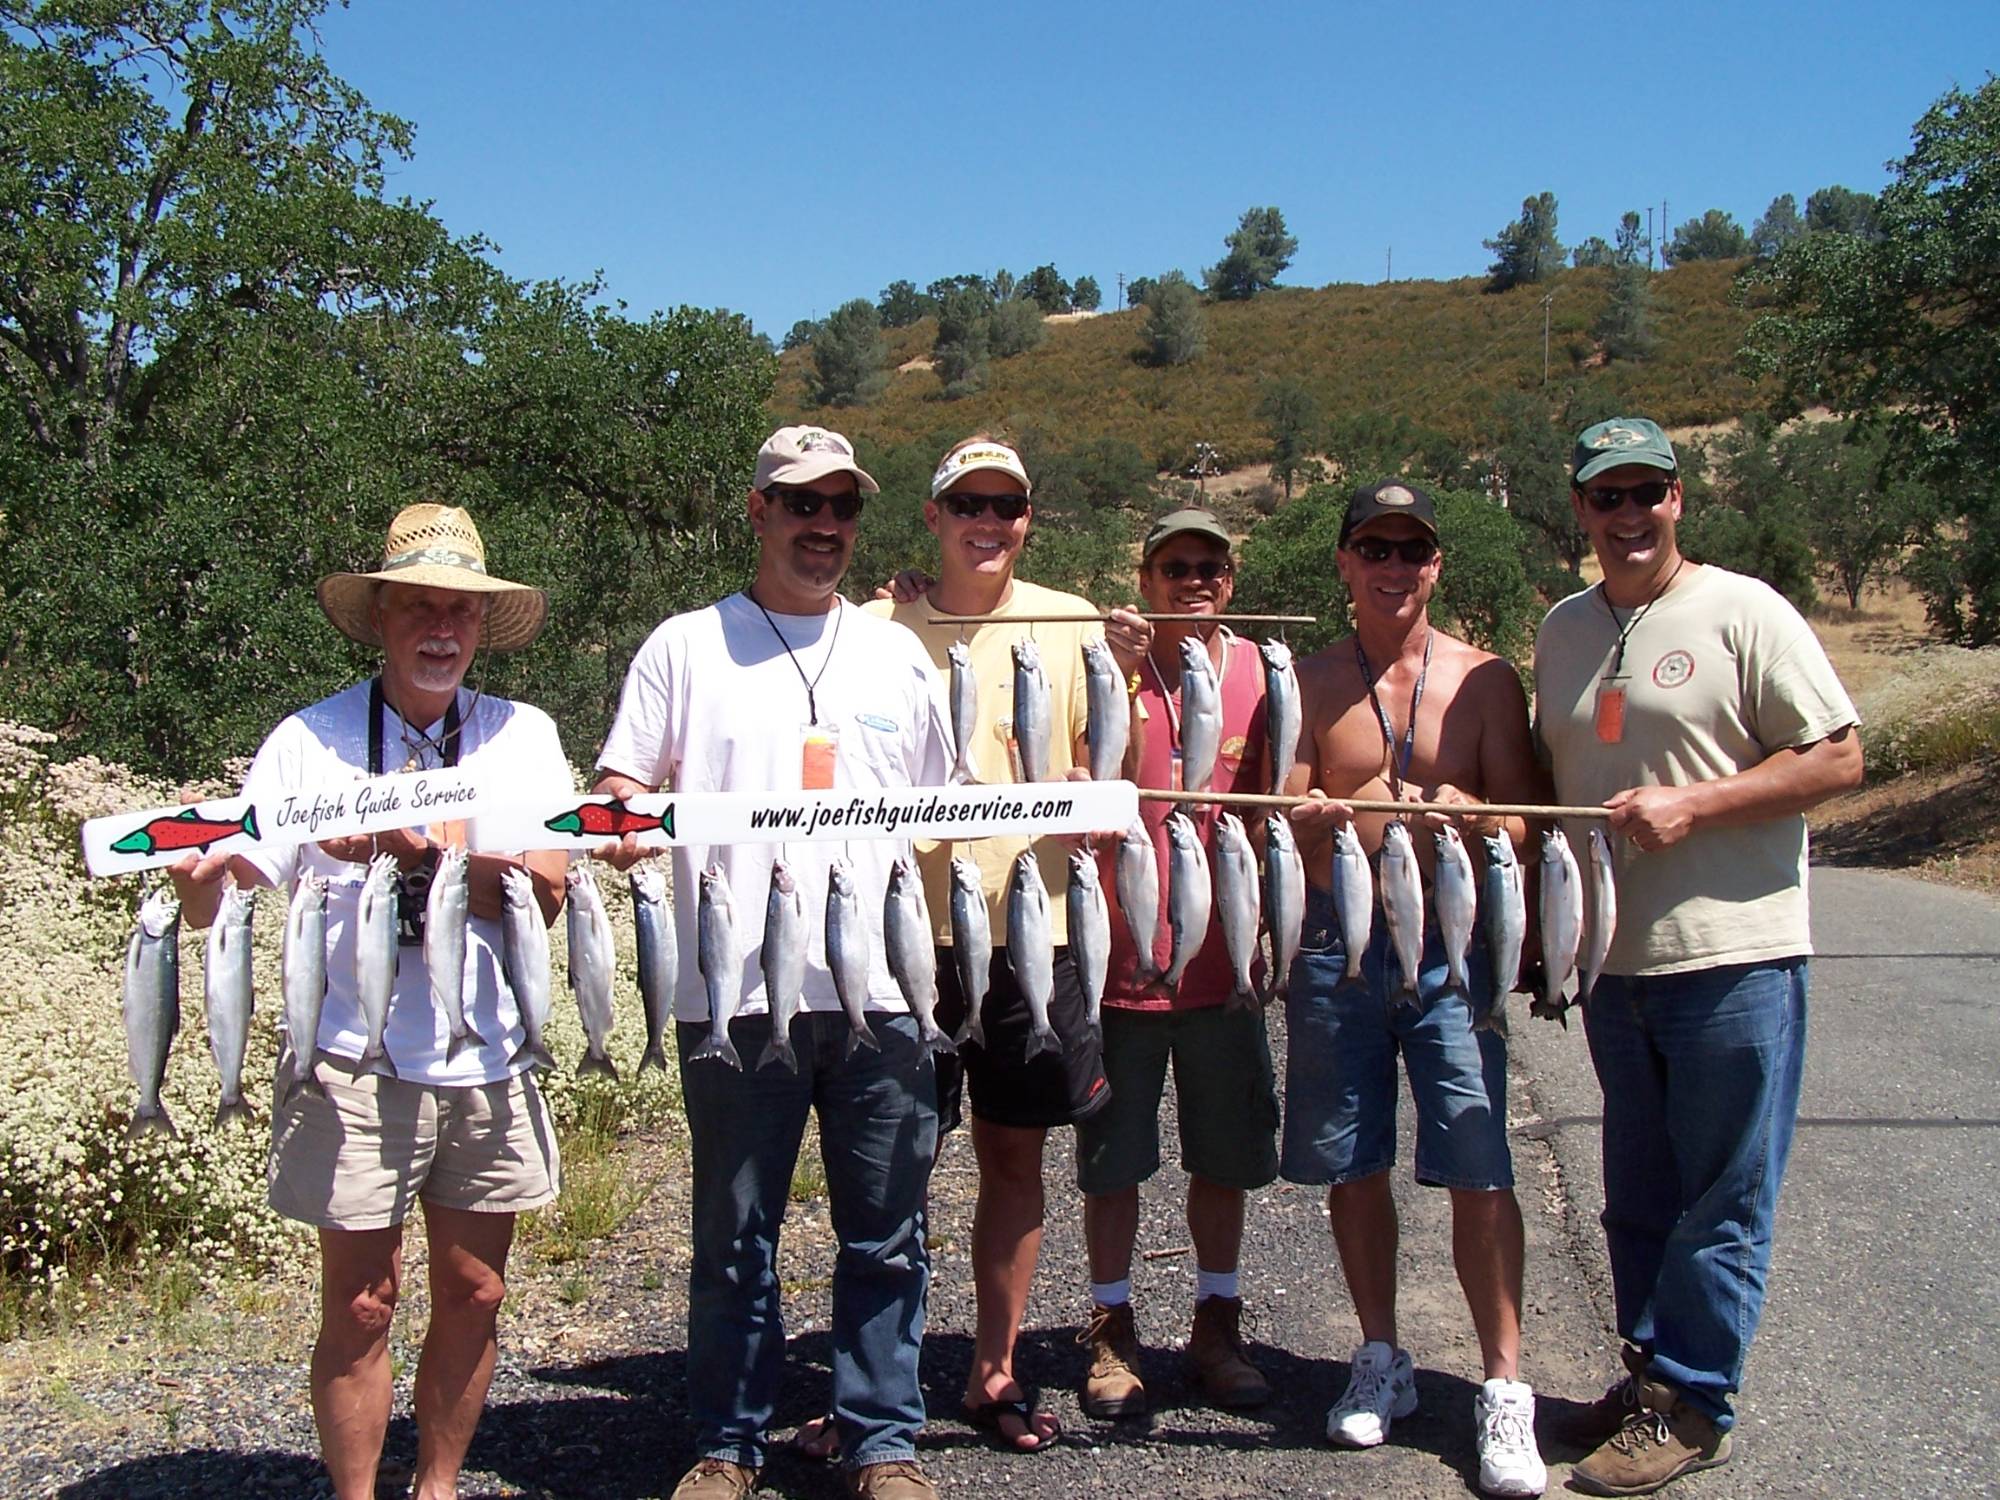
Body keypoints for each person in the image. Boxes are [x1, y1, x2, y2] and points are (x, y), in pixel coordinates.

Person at [169, 503, 571, 1500]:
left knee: (475, 1292)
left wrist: (414, 847)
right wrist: (194, 876)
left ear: (483, 627)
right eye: (419, 608)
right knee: (359, 1305)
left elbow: (549, 894)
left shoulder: (524, 738)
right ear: (380, 617)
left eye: (461, 612)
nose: (441, 628)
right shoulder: (308, 743)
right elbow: (225, 887)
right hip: (347, 1059)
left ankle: (435, 1486)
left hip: (489, 1061)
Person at [593, 425, 954, 1500]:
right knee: (734, 1232)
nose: (824, 526)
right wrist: (618, 822)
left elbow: (946, 805)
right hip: (733, 997)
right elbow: (621, 783)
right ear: (756, 511)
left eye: (841, 507)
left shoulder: (897, 650)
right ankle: (727, 1442)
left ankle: (882, 1441)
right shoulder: (683, 647)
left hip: (884, 996)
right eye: (801, 505)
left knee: (887, 1232)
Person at [1536, 418, 1862, 1496]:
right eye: (1604, 496)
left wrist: (1697, 804)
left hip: (1733, 960)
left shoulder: (1742, 610)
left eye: (1646, 492)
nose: (1626, 515)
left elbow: (1836, 756)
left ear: (1678, 499)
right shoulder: (1563, 629)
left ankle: (1693, 1399)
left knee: (1718, 1196)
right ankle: (1645, 1381)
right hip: (1612, 967)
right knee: (1633, 1194)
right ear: (1578, 510)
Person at [864, 435, 1150, 1452]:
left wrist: (1130, 665)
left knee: (1012, 1154)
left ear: (1026, 518)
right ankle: (873, 1385)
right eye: (967, 504)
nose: (987, 522)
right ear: (933, 515)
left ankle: (995, 1366)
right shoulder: (874, 621)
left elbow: (1093, 754)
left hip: (1039, 928)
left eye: (1006, 505)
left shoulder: (1072, 621)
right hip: (907, 934)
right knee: (891, 1162)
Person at [1282, 481, 1549, 1497]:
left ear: (1434, 564)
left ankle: (1503, 1386)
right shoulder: (1306, 678)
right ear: (1344, 562)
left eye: (1411, 550)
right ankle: (1379, 1355)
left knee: (1477, 1164)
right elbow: (1285, 799)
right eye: (1373, 547)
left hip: (1450, 952)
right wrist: (1304, 820)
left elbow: (1528, 825)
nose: (1393, 566)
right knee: (1352, 1160)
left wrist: (1478, 812)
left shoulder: (1483, 682)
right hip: (1335, 947)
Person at [1073, 507, 1279, 1420]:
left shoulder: (1263, 676)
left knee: (1223, 1158)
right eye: (1173, 567)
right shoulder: (1111, 671)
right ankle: (1111, 1327)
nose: (1192, 580)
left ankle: (1216, 1321)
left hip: (1220, 972)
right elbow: (1066, 766)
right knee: (1113, 1164)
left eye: (1208, 567)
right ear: (1147, 579)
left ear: (1229, 580)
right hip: (1118, 969)